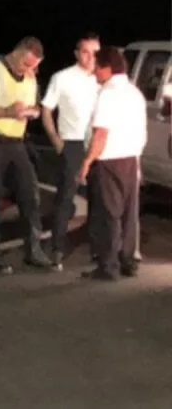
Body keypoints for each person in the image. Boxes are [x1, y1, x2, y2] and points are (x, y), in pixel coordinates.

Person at [0, 36, 53, 274]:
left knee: (30, 194)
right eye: (26, 64)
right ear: (17, 52)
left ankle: (34, 250)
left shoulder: (31, 76)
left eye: (34, 66)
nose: (29, 70)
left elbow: (33, 104)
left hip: (17, 143)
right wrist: (6, 111)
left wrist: (32, 111)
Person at [76, 46, 147, 280]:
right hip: (131, 159)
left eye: (97, 67)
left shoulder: (108, 94)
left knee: (109, 214)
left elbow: (100, 133)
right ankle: (128, 261)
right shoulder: (134, 93)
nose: (94, 72)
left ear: (106, 68)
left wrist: (87, 162)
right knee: (128, 213)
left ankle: (108, 266)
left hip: (109, 160)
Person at [40, 33, 101, 269]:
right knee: (66, 197)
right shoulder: (62, 78)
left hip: (96, 143)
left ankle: (98, 250)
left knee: (99, 198)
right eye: (86, 51)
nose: (91, 57)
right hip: (72, 143)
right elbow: (46, 110)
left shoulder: (102, 79)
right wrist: (56, 139)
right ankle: (57, 248)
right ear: (77, 54)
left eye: (95, 52)